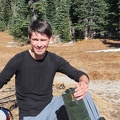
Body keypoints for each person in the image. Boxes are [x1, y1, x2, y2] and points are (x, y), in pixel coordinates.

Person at [0, 19, 89, 120]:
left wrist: (83, 83)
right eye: (35, 39)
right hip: (30, 115)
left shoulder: (54, 59)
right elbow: (1, 80)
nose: (39, 45)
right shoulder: (19, 60)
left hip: (51, 106)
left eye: (43, 40)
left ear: (50, 39)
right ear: (29, 38)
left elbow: (77, 74)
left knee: (83, 96)